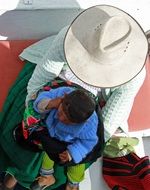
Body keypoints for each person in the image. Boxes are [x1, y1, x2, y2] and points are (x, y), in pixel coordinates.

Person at [2, 4, 148, 190]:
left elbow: (109, 123)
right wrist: (37, 112)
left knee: (73, 157)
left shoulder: (134, 74)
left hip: (85, 106)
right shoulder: (68, 37)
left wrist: (75, 144)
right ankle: (13, 175)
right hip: (55, 85)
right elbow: (38, 83)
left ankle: (58, 180)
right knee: (19, 132)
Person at [24, 86, 98, 190]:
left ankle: (73, 184)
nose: (61, 117)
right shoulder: (62, 93)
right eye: (61, 111)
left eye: (68, 121)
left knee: (78, 163)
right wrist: (50, 103)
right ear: (64, 98)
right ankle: (47, 176)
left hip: (71, 142)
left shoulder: (88, 126)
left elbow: (88, 143)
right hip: (52, 133)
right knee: (48, 152)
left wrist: (73, 152)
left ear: (81, 123)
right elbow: (39, 101)